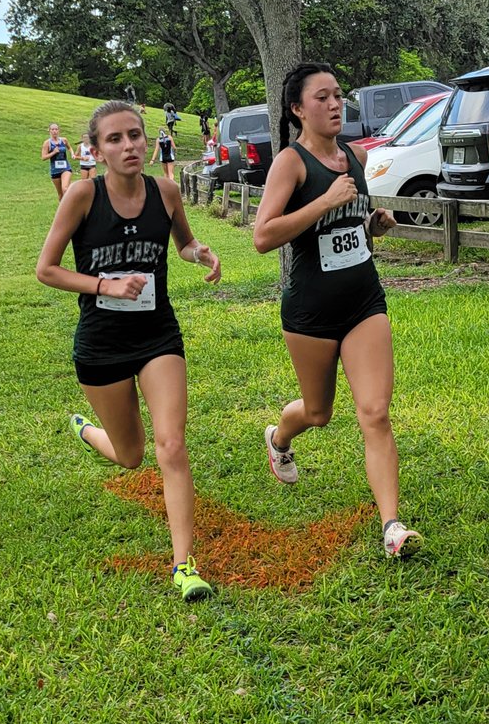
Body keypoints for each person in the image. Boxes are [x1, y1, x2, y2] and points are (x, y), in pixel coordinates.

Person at [35, 100, 222, 602]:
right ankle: (88, 430)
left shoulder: (165, 190)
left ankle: (184, 565)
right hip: (100, 345)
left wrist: (199, 252)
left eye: (135, 135)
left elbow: (181, 244)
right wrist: (104, 286)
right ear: (95, 151)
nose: (129, 146)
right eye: (114, 139)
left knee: (171, 444)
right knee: (130, 455)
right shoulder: (80, 196)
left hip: (158, 336)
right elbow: (47, 269)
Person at [253, 62, 422, 559]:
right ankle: (280, 437)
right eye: (322, 97)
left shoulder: (353, 156)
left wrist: (374, 224)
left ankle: (392, 526)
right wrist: (324, 201)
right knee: (320, 412)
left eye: (338, 95)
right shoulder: (291, 162)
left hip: (363, 301)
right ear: (298, 109)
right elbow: (264, 236)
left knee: (375, 413)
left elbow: (350, 228)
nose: (334, 105)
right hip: (310, 311)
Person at [41, 123, 75, 199]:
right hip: (55, 170)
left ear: (59, 130)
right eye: (52, 129)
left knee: (65, 189)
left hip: (66, 168)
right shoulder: (47, 143)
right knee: (60, 195)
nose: (54, 131)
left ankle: (72, 207)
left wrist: (72, 154)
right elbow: (43, 157)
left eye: (56, 129)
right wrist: (53, 152)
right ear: (49, 131)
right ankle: (63, 210)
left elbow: (69, 148)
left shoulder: (64, 140)